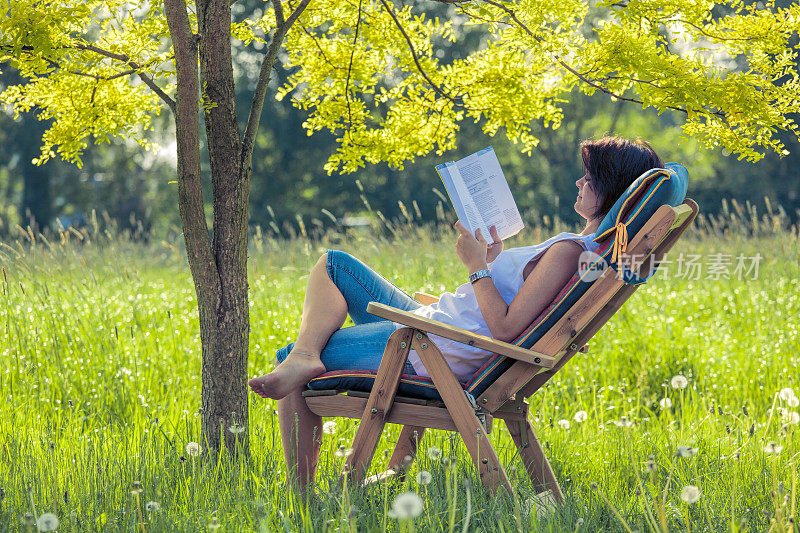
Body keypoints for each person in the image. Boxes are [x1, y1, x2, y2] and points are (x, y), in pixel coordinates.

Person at [248, 136, 664, 490]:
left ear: (608, 189)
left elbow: (504, 329)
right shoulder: (584, 251)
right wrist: (495, 261)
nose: (578, 181)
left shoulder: (569, 252)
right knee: (336, 265)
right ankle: (389, 455)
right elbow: (518, 313)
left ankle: (301, 493)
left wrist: (477, 265)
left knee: (290, 358)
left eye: (588, 178)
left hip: (432, 349)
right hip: (441, 329)